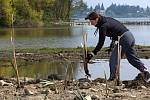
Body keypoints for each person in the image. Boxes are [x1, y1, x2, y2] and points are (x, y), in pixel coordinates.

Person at [85, 11, 150, 81]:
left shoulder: (103, 26)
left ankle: (113, 78)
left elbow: (101, 43)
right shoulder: (107, 19)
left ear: (97, 19)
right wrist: (112, 45)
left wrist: (93, 53)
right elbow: (115, 29)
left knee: (113, 59)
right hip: (129, 36)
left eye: (91, 21)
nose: (91, 23)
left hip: (124, 38)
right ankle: (144, 70)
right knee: (132, 58)